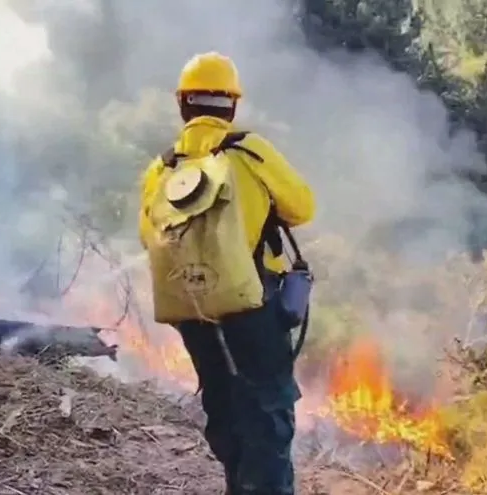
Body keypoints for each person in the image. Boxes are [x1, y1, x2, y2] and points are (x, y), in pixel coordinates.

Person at [137, 52, 315, 494]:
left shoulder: (162, 169)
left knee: (223, 403)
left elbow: (149, 236)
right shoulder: (249, 150)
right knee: (268, 411)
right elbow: (303, 208)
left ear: (183, 105)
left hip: (191, 308)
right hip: (252, 302)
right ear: (231, 105)